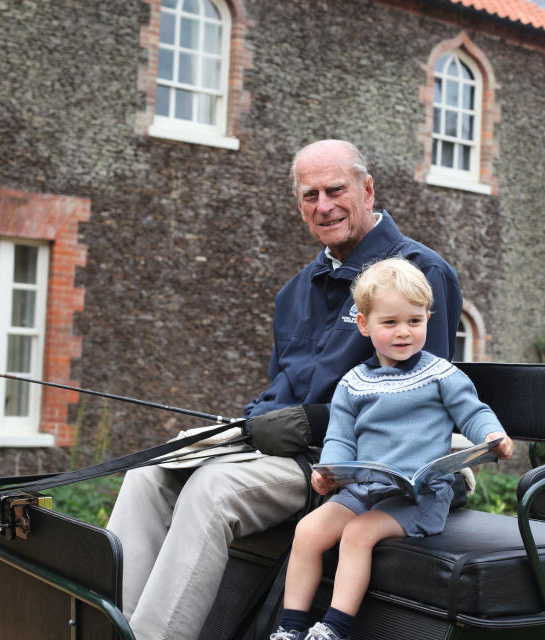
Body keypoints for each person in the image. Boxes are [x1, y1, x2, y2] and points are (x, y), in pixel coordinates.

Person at [106, 139, 464, 640]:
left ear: (366, 189)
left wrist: (308, 423)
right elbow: (281, 390)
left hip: (354, 467)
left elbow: (423, 398)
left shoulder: (421, 274)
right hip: (283, 452)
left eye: (335, 190)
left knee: (213, 491)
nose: (324, 206)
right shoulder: (295, 291)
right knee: (151, 473)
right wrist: (239, 428)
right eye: (309, 195)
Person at [270, 258, 514, 640]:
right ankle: (290, 627)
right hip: (364, 490)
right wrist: (328, 472)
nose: (404, 333)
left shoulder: (440, 374)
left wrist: (492, 437)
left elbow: (473, 413)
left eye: (414, 321)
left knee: (358, 534)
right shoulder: (353, 383)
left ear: (427, 320)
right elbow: (339, 437)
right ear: (365, 325)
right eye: (390, 323)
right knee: (308, 530)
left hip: (420, 497)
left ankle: (334, 628)